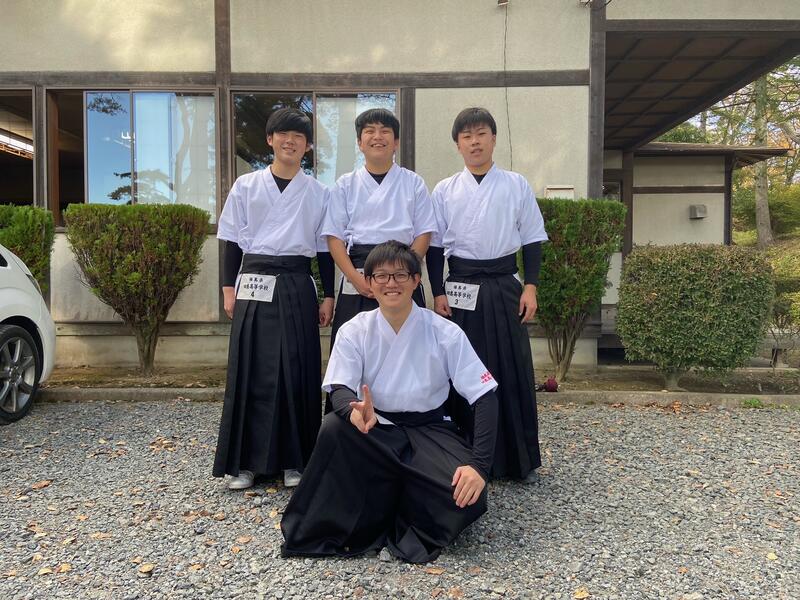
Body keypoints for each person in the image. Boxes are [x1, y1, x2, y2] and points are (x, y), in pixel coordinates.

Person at [281, 241, 499, 564]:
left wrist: (479, 466)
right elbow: (339, 387)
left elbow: (485, 396)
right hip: (376, 430)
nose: (391, 283)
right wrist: (353, 411)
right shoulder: (354, 330)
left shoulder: (445, 332)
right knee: (333, 428)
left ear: (416, 281)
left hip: (429, 430)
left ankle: (392, 514)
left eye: (400, 275)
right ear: (369, 283)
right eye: (381, 276)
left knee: (468, 496)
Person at [213, 107, 335, 490]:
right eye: (283, 134)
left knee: (296, 370)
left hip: (297, 281)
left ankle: (294, 461)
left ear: (307, 146)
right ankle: (246, 463)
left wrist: (329, 294)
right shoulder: (246, 186)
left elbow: (325, 250)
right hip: (253, 280)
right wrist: (228, 288)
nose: (290, 141)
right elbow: (231, 240)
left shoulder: (319, 193)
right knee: (251, 369)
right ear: (270, 140)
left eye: (299, 136)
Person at [426, 107, 547, 481]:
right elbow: (434, 246)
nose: (474, 142)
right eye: (467, 136)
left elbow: (532, 239)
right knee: (461, 370)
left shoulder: (516, 184)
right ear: (458, 145)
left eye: (481, 134)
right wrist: (438, 292)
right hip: (460, 288)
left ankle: (519, 459)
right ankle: (463, 455)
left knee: (511, 369)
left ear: (493, 139)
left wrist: (530, 286)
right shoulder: (444, 190)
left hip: (504, 284)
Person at [322, 108, 437, 355]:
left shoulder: (413, 182)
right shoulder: (345, 184)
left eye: (385, 131)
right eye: (370, 131)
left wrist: (404, 273)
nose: (377, 136)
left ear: (396, 142)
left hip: (402, 273)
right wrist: (356, 279)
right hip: (359, 274)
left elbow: (424, 233)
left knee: (409, 351)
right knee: (354, 348)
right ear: (359, 142)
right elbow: (334, 237)